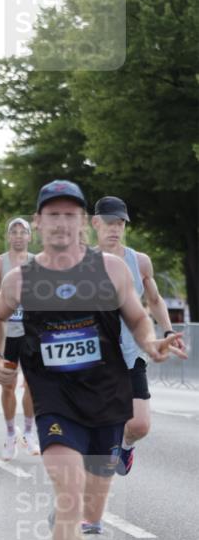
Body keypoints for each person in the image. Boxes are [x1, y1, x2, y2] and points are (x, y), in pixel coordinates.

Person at [0, 180, 186, 540]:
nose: (60, 223)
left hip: (107, 398)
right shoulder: (21, 279)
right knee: (69, 495)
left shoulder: (111, 270)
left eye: (69, 215)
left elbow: (137, 316)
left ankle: (111, 466)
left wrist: (152, 341)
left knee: (95, 494)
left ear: (83, 222)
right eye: (51, 215)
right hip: (56, 400)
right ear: (38, 223)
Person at [92, 196, 185, 476]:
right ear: (96, 224)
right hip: (96, 358)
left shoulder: (140, 262)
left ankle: (126, 447)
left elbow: (155, 299)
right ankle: (82, 501)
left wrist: (167, 330)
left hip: (132, 354)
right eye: (109, 222)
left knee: (140, 425)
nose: (114, 229)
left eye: (120, 223)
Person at [0, 217, 39, 459]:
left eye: (23, 232)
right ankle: (10, 434)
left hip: (31, 335)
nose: (19, 236)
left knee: (32, 385)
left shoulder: (38, 264)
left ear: (30, 237)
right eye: (14, 232)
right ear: (8, 237)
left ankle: (28, 433)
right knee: (8, 386)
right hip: (9, 336)